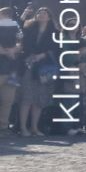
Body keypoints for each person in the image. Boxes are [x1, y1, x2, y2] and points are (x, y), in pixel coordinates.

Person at [18, 8, 56, 136]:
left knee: (39, 99)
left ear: (49, 17)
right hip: (29, 66)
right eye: (39, 13)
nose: (41, 15)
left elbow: (56, 49)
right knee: (27, 97)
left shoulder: (54, 32)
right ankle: (23, 127)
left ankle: (34, 127)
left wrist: (43, 55)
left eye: (44, 13)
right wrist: (30, 55)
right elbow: (21, 38)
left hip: (44, 68)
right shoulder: (29, 29)